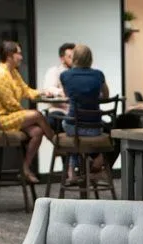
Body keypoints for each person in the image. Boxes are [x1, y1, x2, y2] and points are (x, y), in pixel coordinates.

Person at [0, 41, 54, 184]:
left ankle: (25, 168)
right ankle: (56, 142)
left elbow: (25, 90)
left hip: (8, 116)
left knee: (37, 132)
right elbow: (10, 104)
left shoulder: (13, 72)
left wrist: (43, 93)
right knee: (37, 115)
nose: (21, 57)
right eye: (19, 54)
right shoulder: (0, 74)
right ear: (10, 55)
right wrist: (27, 115)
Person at [60, 44, 109, 183]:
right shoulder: (98, 75)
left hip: (73, 128)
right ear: (90, 58)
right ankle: (93, 166)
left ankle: (72, 172)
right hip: (95, 129)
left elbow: (67, 95)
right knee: (77, 133)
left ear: (74, 57)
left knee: (68, 125)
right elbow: (106, 95)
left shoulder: (65, 75)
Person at [42, 42, 74, 129]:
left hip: (77, 111)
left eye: (75, 56)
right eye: (70, 57)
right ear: (62, 59)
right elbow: (49, 88)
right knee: (53, 121)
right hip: (60, 109)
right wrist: (62, 92)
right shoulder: (54, 71)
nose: (74, 59)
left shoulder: (79, 72)